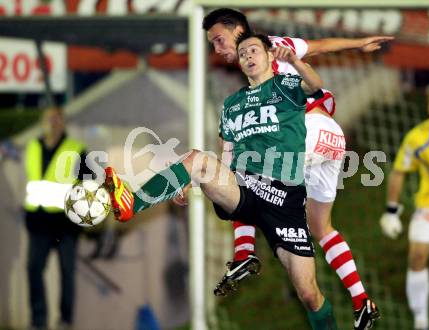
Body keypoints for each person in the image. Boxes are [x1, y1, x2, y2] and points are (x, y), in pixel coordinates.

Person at [105, 32, 338, 329]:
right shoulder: (232, 105)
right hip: (244, 189)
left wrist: (295, 61)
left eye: (254, 50)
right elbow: (226, 153)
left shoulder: (287, 86)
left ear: (268, 56)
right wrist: (189, 179)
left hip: (285, 200)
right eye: (242, 54)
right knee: (195, 159)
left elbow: (316, 85)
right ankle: (131, 203)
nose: (248, 56)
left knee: (308, 294)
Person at [200, 8, 382, 329]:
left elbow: (315, 52)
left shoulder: (268, 46)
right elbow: (320, 46)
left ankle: (244, 252)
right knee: (320, 227)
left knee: (245, 173)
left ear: (239, 29)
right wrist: (359, 43)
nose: (217, 49)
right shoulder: (268, 57)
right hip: (330, 143)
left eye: (218, 40)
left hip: (310, 129)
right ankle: (361, 300)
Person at [380, 83, 429, 330]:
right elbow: (398, 172)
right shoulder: (417, 138)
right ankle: (421, 318)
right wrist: (391, 211)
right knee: (416, 256)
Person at [24, 107, 89, 330]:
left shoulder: (77, 150)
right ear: (43, 121)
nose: (53, 122)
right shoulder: (33, 147)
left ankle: (65, 320)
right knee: (33, 268)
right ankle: (38, 320)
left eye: (57, 118)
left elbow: (89, 185)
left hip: (65, 223)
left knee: (67, 272)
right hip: (39, 221)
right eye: (49, 118)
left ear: (64, 122)